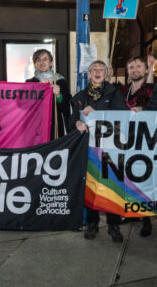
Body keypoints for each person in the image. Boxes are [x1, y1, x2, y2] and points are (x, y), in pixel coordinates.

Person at [69, 60, 128, 243]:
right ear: (88, 74)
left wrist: (96, 112)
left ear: (105, 74)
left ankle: (113, 225)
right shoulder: (79, 96)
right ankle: (93, 223)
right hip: (88, 150)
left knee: (111, 188)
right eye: (93, 69)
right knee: (91, 187)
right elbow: (71, 121)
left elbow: (123, 116)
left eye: (100, 69)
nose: (97, 71)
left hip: (110, 149)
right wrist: (77, 123)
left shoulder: (114, 93)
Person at [118, 55, 155, 237]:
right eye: (131, 67)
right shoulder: (124, 90)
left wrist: (143, 110)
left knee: (145, 178)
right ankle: (132, 213)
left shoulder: (151, 90)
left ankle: (146, 219)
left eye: (139, 66)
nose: (135, 70)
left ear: (146, 70)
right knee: (130, 177)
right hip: (128, 141)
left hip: (147, 143)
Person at [26, 49, 71, 140]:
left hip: (55, 127)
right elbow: (25, 106)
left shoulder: (60, 81)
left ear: (51, 62)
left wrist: (58, 95)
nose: (41, 63)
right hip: (36, 127)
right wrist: (38, 88)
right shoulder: (29, 83)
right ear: (34, 64)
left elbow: (67, 108)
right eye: (38, 60)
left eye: (45, 59)